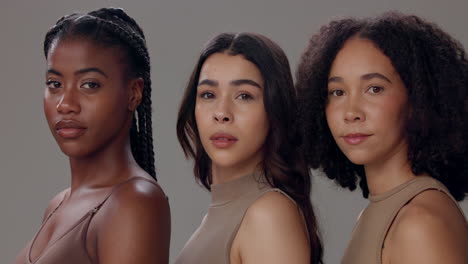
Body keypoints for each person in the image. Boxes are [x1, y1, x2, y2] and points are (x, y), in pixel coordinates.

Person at [296, 11, 468, 264]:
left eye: (374, 89)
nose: (351, 112)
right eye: (337, 92)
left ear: (418, 98)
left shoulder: (418, 223)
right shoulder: (381, 213)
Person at [15, 7, 170, 264]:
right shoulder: (58, 204)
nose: (65, 104)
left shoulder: (135, 202)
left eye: (90, 84)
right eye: (55, 84)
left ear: (134, 93)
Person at [175, 32, 323, 264]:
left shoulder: (268, 215)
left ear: (274, 111)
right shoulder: (224, 214)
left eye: (244, 96)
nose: (222, 113)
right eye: (208, 94)